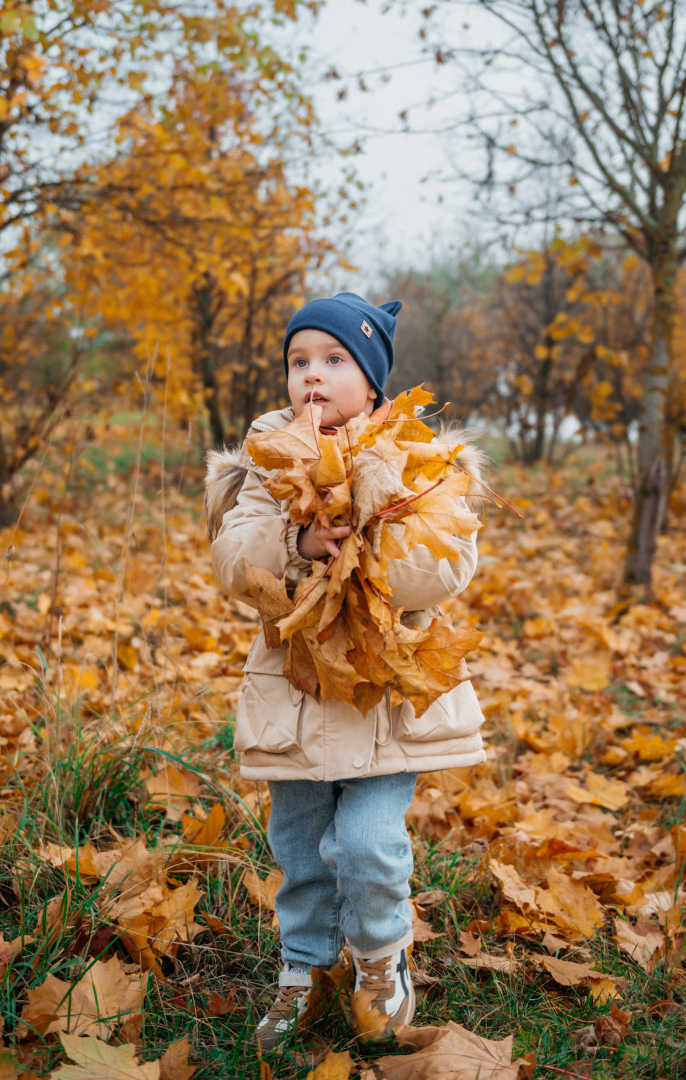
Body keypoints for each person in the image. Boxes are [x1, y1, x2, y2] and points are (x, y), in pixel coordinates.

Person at [205, 292, 486, 1050]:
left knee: (366, 842)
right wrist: (299, 546)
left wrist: (368, 540)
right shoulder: (265, 463)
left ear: (373, 383)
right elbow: (235, 559)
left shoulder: (414, 459)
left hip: (382, 698)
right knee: (299, 849)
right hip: (293, 693)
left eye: (334, 360)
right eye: (299, 362)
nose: (313, 377)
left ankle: (377, 962)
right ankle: (302, 971)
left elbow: (448, 562)